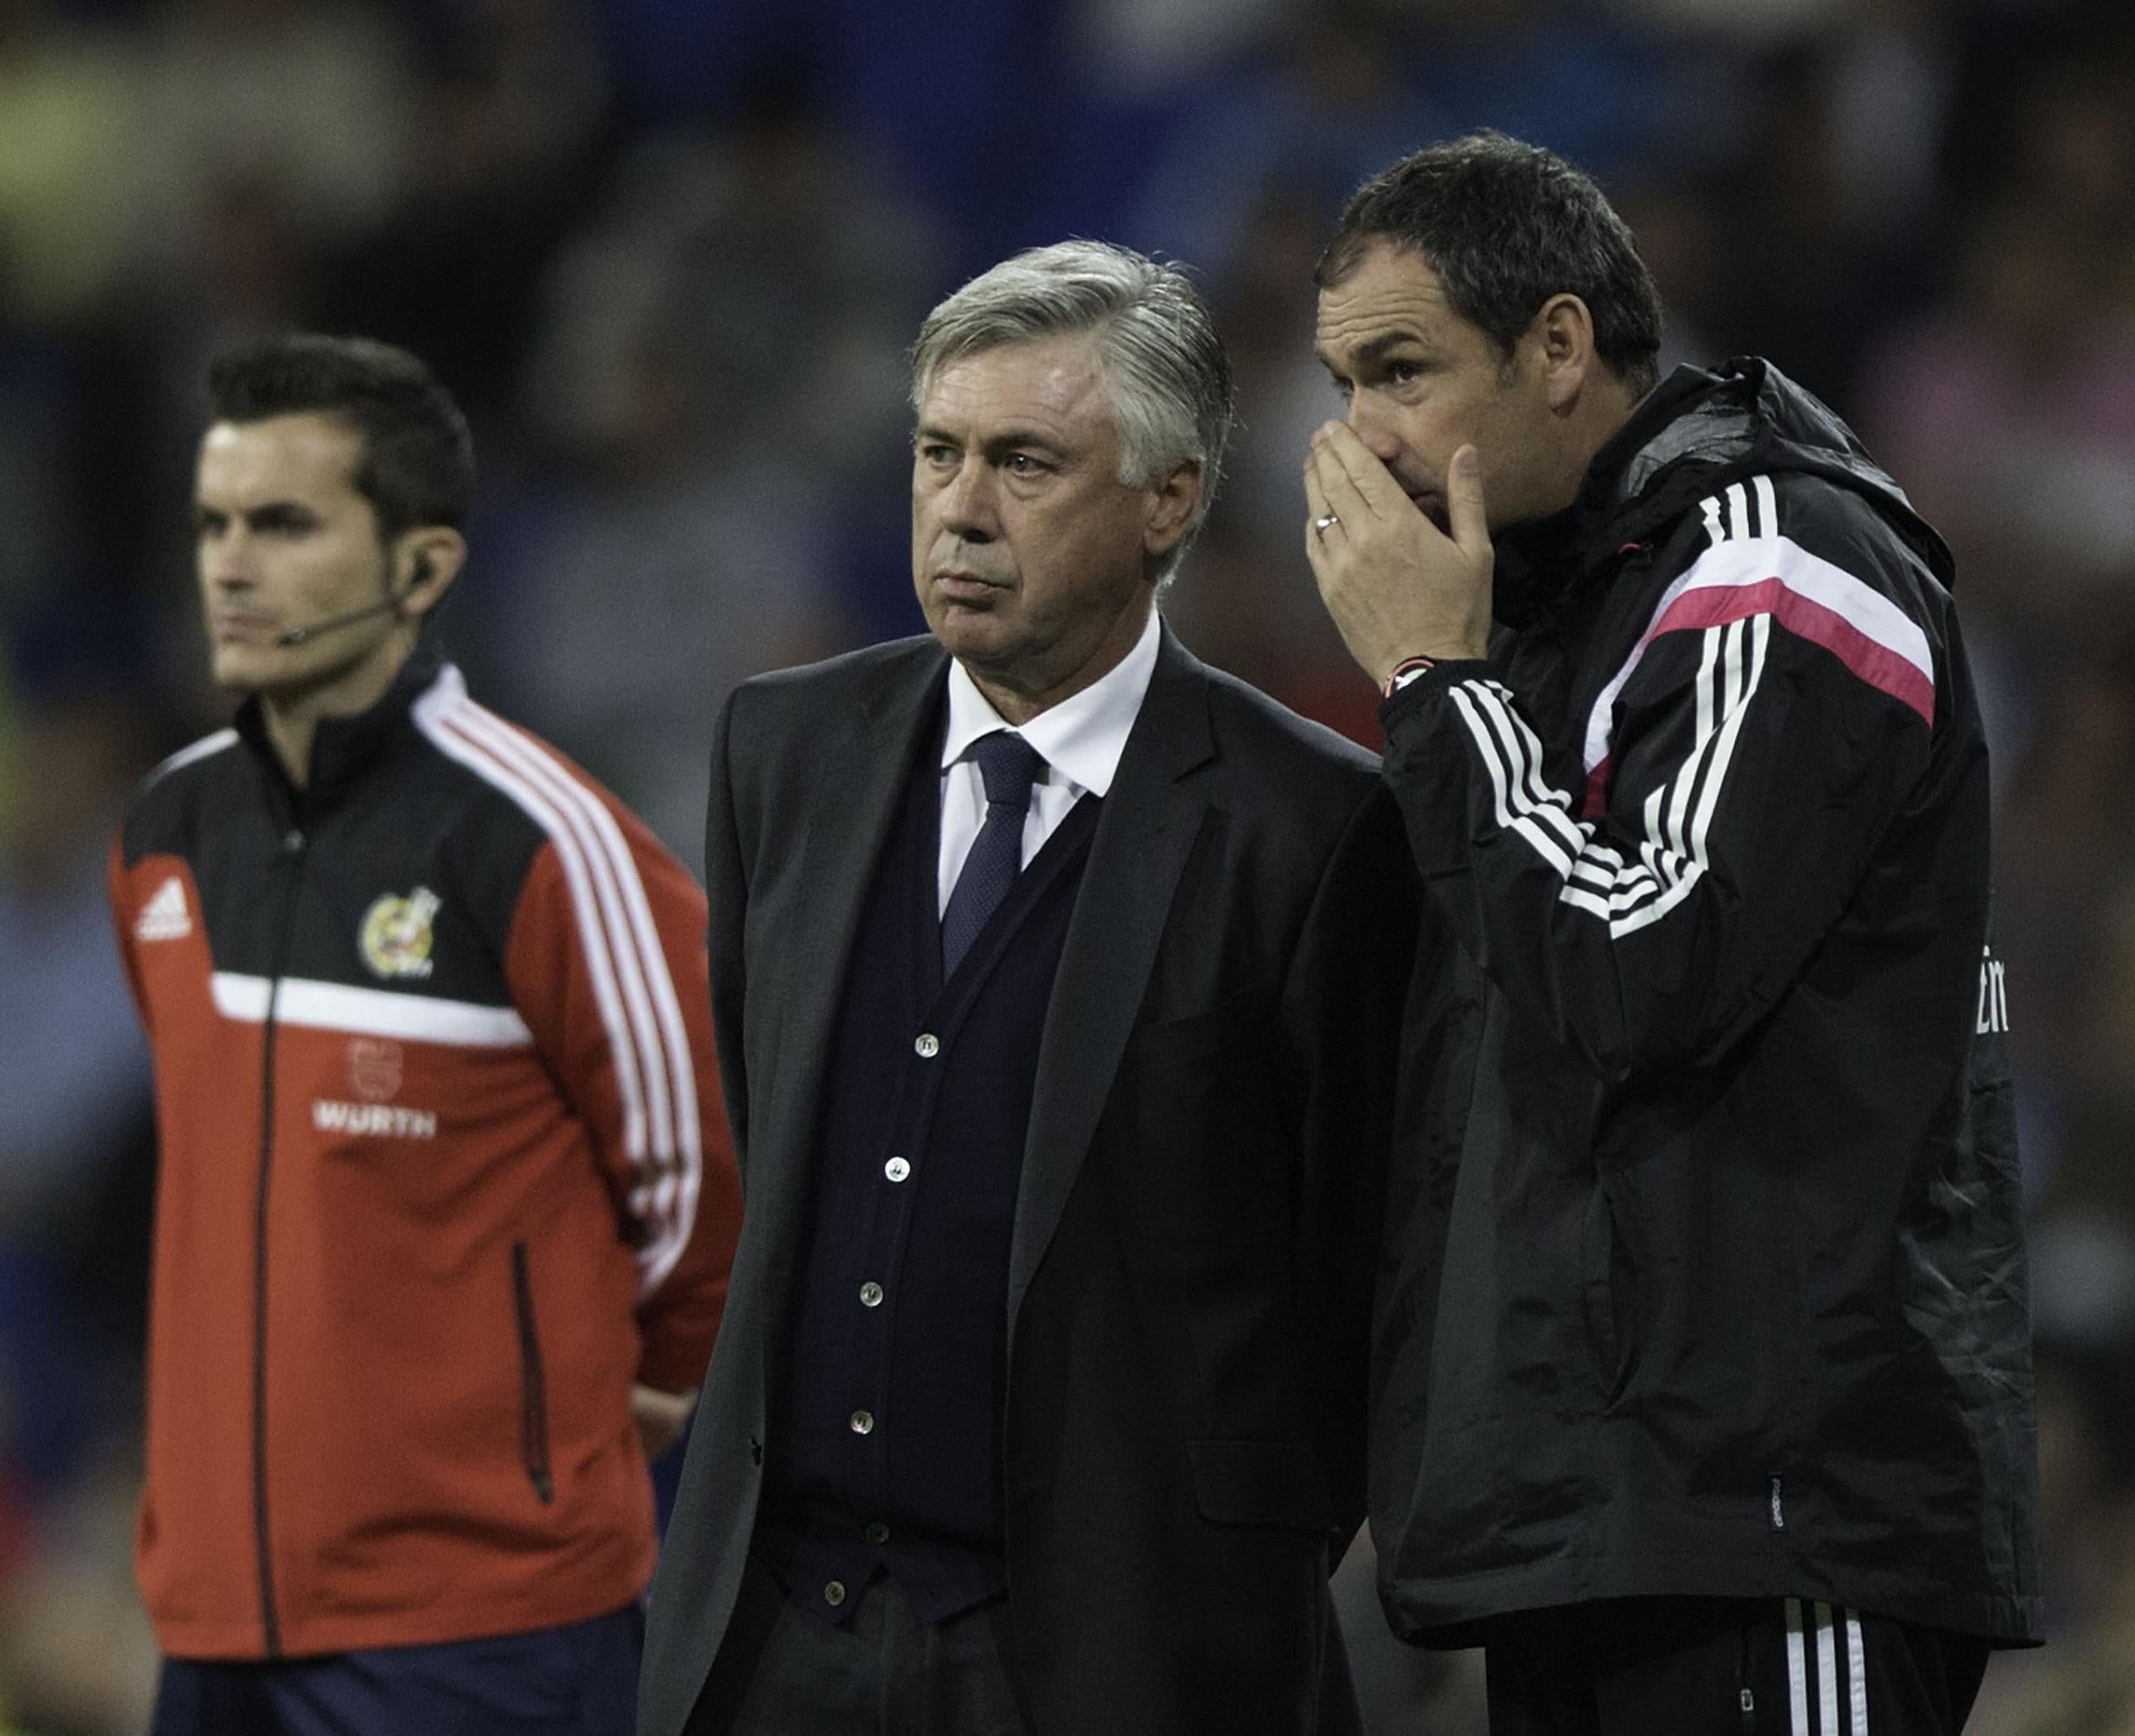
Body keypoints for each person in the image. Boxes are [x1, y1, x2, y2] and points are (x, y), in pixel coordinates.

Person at [1302, 133, 2041, 1735]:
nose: (1360, 437)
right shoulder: (1561, 617)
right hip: (1596, 1521)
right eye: (1342, 382)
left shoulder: (1779, 561)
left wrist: (1435, 687)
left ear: (1559, 347)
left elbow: (1643, 964)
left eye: (1401, 370)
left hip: (1781, 1521)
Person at [639, 241, 1417, 1736]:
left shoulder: (1313, 828)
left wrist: (1209, 1568)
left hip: (1113, 1656)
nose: (961, 509)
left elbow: (1351, 1284)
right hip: (775, 1643)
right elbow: (767, 1122)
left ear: (1170, 500)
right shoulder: (785, 749)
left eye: (1026, 463)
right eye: (938, 453)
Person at [107, 333, 744, 1734]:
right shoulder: (166, 835)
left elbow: (708, 1180)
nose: (229, 564)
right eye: (214, 523)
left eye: (285, 524)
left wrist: (618, 1398)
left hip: (482, 1628)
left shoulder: (550, 843)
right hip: (211, 1618)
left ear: (423, 567)